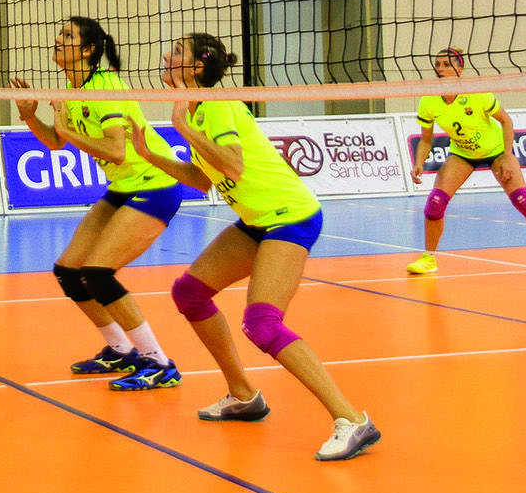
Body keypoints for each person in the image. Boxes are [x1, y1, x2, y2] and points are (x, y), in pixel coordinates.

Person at [127, 32, 381, 462]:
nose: (165, 56)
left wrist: (185, 129)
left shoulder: (218, 104)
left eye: (176, 53)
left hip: (290, 217)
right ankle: (243, 394)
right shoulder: (197, 109)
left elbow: (233, 163)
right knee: (189, 292)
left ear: (197, 67)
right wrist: (150, 155)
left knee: (262, 322)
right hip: (256, 221)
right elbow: (206, 179)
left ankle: (352, 418)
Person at [10, 17, 191, 391]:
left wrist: (67, 130)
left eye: (68, 36)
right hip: (122, 187)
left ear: (89, 50)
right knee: (68, 270)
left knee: (98, 271)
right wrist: (30, 116)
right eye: (59, 33)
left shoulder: (105, 87)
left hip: (154, 185)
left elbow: (116, 150)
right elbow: (57, 143)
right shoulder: (73, 88)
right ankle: (121, 350)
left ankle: (159, 363)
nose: (58, 40)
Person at [407, 48, 526, 277]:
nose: (441, 69)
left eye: (446, 64)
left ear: (459, 68)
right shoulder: (429, 100)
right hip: (462, 153)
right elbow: (426, 139)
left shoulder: (477, 92)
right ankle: (429, 258)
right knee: (435, 202)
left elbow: (506, 122)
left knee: (523, 200)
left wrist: (505, 156)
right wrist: (419, 162)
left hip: (496, 150)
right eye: (438, 64)